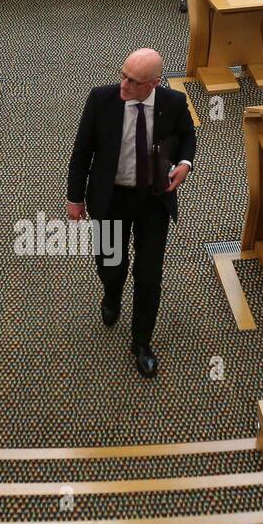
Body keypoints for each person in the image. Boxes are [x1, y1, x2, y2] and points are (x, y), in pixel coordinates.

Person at [66, 49, 197, 378]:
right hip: (110, 200)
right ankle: (112, 294)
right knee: (111, 265)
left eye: (133, 81)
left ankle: (141, 342)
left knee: (149, 275)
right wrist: (75, 199)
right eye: (122, 74)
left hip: (153, 201)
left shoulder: (174, 103)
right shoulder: (102, 99)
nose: (123, 84)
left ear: (153, 83)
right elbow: (82, 152)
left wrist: (184, 164)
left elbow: (187, 137)